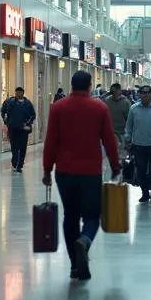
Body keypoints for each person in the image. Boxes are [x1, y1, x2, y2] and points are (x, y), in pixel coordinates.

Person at [42, 70, 121, 282]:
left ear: (71, 85)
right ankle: (85, 241)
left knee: (70, 217)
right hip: (90, 172)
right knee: (93, 216)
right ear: (89, 86)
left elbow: (51, 140)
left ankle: (75, 267)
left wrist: (46, 169)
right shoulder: (99, 107)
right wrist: (115, 165)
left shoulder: (58, 107)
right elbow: (109, 140)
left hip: (65, 172)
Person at [0, 86, 36, 173]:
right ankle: (14, 162)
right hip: (13, 128)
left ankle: (20, 164)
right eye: (17, 92)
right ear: (15, 93)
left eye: (20, 92)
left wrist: (28, 122)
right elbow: (3, 111)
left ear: (23, 93)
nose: (18, 94)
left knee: (23, 147)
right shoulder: (9, 102)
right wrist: (6, 120)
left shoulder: (28, 103)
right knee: (14, 147)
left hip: (24, 129)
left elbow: (33, 114)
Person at [104, 82, 131, 149]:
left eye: (115, 92)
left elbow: (129, 119)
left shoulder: (126, 102)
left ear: (119, 91)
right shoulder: (107, 101)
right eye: (112, 92)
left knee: (121, 153)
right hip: (110, 132)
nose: (114, 94)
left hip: (121, 133)